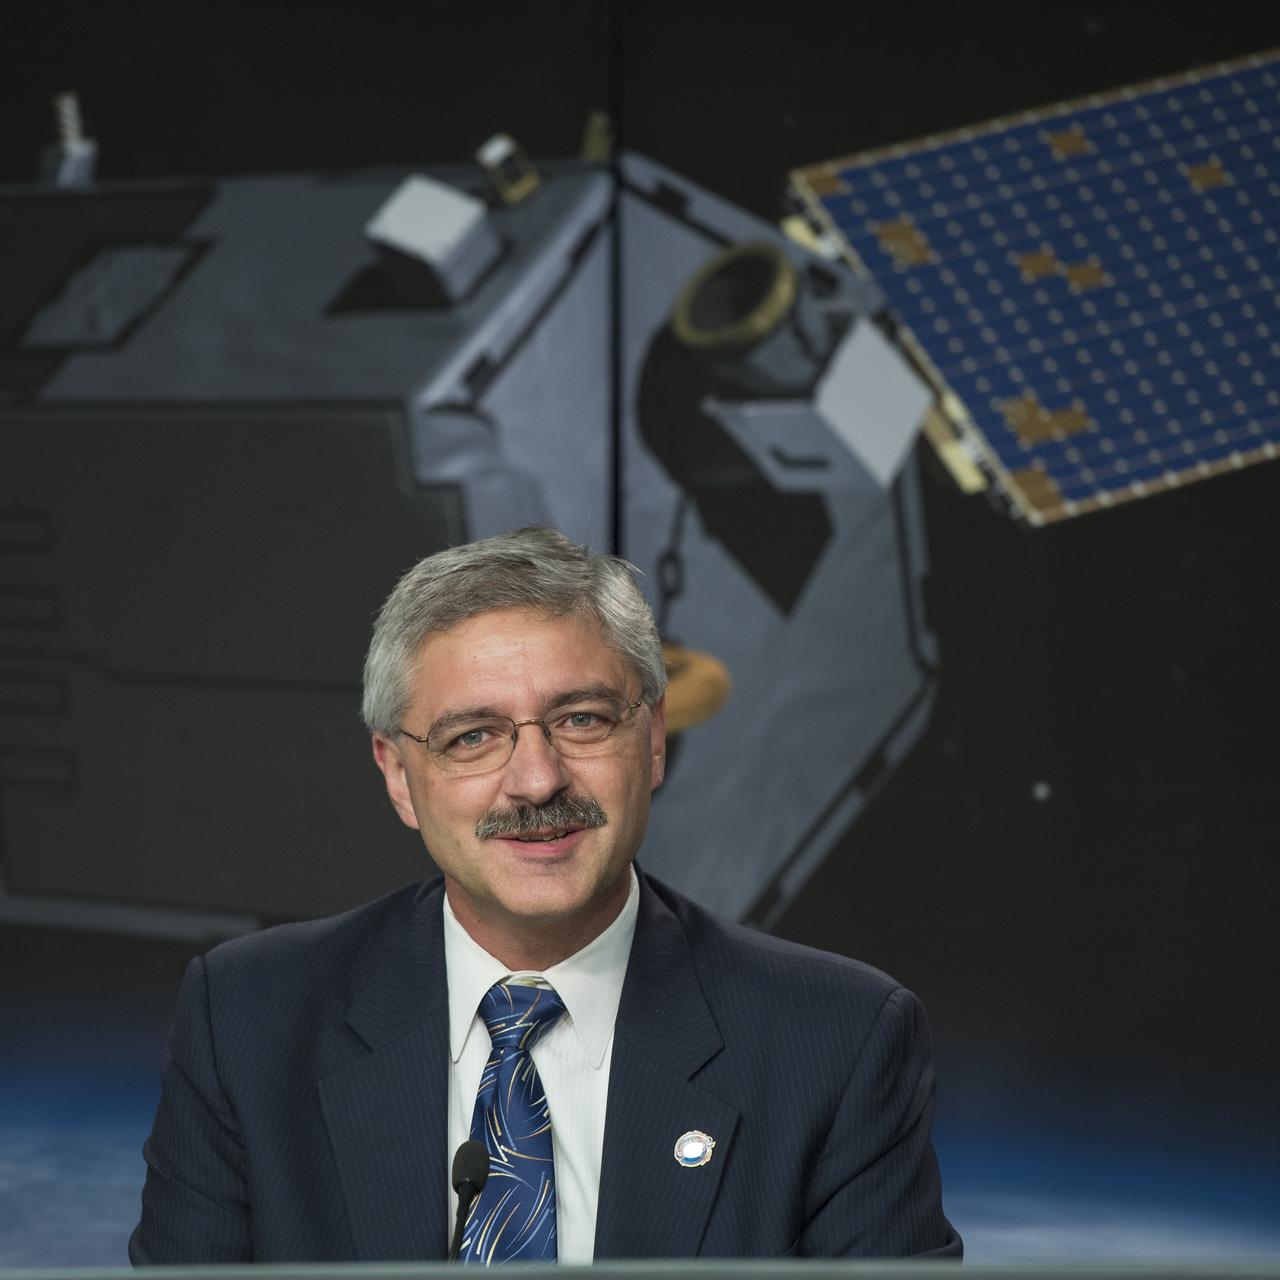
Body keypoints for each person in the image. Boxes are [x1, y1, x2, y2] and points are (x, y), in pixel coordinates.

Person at [131, 526, 960, 1264]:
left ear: (654, 739)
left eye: (582, 720)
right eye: (473, 736)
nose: (536, 780)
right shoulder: (248, 1021)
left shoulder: (837, 1041)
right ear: (399, 775)